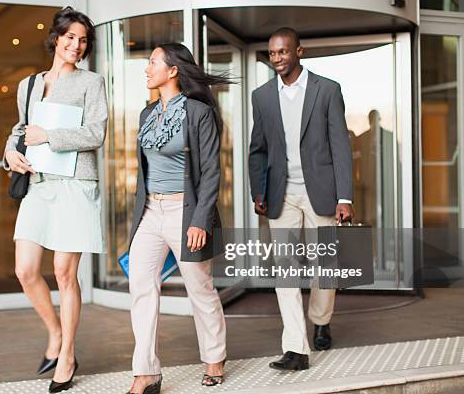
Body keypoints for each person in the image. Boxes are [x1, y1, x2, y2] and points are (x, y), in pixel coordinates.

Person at [2, 7, 107, 393]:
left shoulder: (90, 82)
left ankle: (66, 355)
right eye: (70, 37)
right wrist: (9, 153)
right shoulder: (29, 85)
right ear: (56, 37)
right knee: (26, 271)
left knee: (65, 274)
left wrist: (50, 136)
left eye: (82, 40)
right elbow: (19, 131)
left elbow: (97, 133)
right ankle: (56, 332)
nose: (75, 45)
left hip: (75, 185)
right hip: (39, 184)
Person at [126, 43, 231, 393]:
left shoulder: (198, 113)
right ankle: (147, 371)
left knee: (199, 288)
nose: (147, 68)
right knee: (141, 286)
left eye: (153, 62)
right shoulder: (146, 113)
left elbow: (212, 171)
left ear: (173, 71)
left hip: (185, 211)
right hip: (150, 212)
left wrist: (200, 219)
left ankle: (214, 357)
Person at [248, 27, 354, 371]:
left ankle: (321, 319)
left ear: (299, 52)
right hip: (282, 196)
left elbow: (340, 146)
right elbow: (258, 149)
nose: (277, 59)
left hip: (321, 192)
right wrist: (258, 190)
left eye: (283, 52)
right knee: (286, 271)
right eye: (272, 53)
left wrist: (344, 197)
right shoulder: (262, 96)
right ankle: (296, 346)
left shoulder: (327, 90)